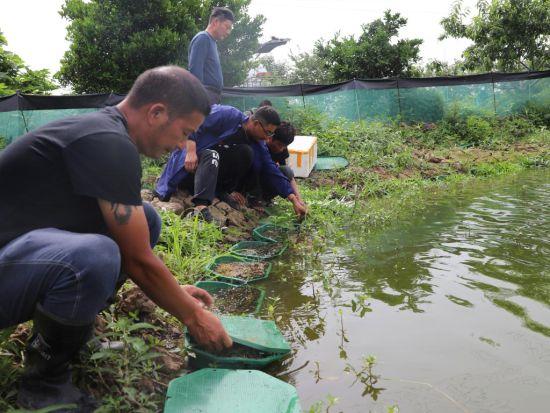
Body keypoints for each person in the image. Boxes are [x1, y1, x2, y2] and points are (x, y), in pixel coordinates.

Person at [0, 66, 232, 411]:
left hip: (19, 254)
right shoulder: (107, 142)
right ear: (156, 113)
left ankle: (74, 341)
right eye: (185, 132)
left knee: (147, 219)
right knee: (95, 255)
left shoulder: (106, 132)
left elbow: (135, 241)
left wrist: (172, 291)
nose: (182, 145)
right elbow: (137, 259)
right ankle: (44, 384)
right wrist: (193, 316)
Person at [154, 104, 307, 220]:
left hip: (209, 172)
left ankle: (219, 192)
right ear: (255, 123)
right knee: (212, 154)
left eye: (271, 134)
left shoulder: (258, 143)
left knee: (245, 153)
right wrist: (191, 150)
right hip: (189, 166)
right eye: (267, 132)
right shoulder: (227, 115)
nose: (268, 138)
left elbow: (270, 169)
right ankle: (201, 207)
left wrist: (293, 198)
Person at [188, 7, 234, 105]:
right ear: (215, 22)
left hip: (212, 96)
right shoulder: (203, 38)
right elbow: (195, 71)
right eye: (227, 27)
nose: (228, 32)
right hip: (205, 95)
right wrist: (199, 100)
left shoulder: (211, 42)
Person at [261, 121, 305, 208]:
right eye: (279, 145)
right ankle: (253, 197)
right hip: (253, 180)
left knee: (285, 170)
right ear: (271, 137)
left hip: (267, 180)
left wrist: (299, 200)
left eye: (284, 146)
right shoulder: (261, 146)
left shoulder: (282, 150)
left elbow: (287, 175)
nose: (281, 149)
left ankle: (265, 198)